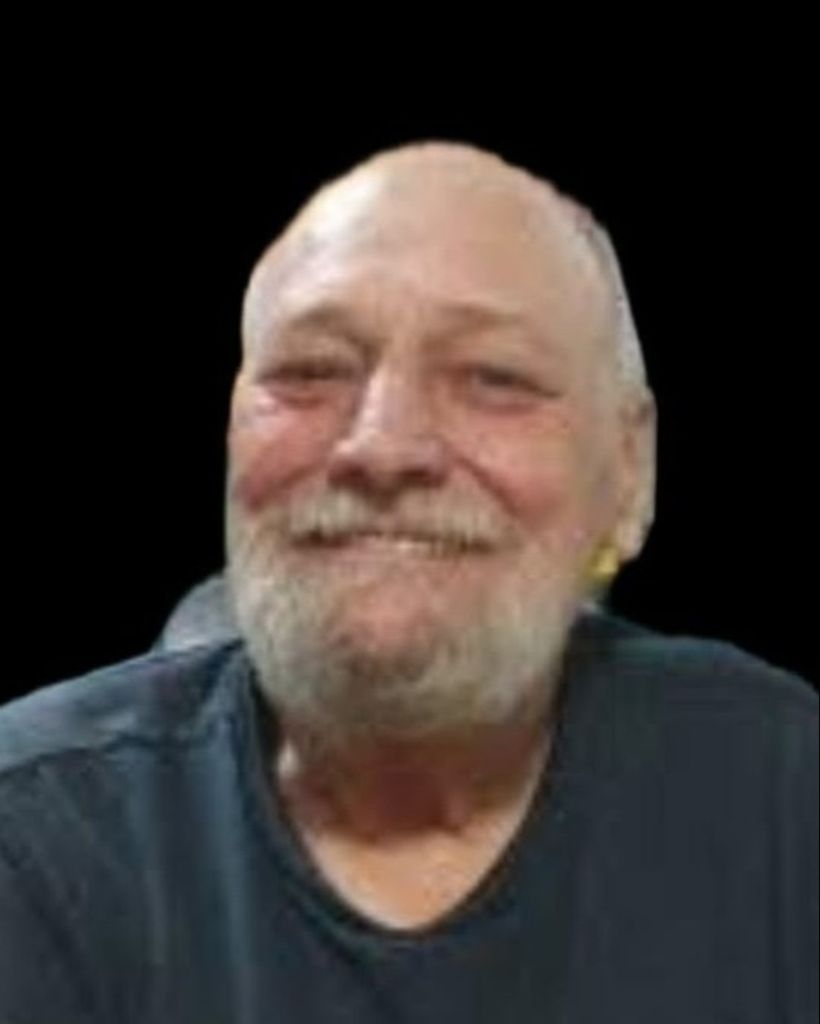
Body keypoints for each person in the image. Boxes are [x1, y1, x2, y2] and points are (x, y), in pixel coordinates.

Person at [0, 142, 816, 1024]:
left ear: (628, 472)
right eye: (309, 373)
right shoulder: (35, 831)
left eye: (494, 379)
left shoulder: (787, 795)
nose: (382, 447)